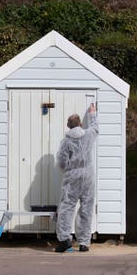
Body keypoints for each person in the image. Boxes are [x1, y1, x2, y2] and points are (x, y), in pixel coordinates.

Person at [54, 103, 99, 253]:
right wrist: (92, 113)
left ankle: (65, 240)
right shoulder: (89, 134)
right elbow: (95, 127)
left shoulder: (66, 141)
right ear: (80, 123)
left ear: (68, 126)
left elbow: (61, 161)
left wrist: (69, 168)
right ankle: (84, 243)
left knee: (67, 207)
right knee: (86, 207)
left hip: (72, 176)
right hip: (88, 176)